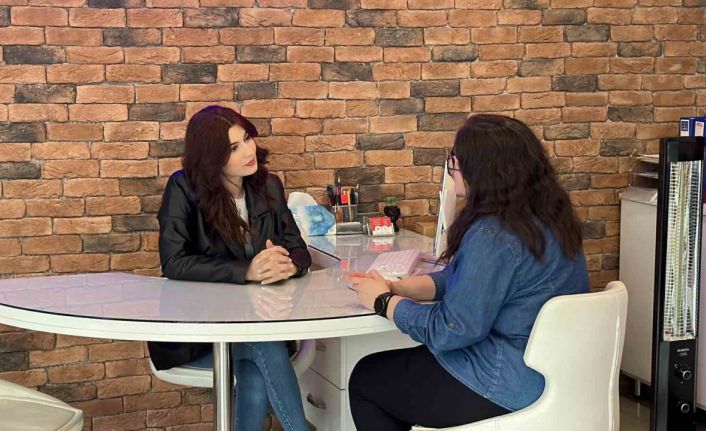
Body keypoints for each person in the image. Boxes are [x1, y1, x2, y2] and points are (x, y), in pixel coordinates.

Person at [345, 114, 589, 430]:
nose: (452, 170)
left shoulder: (493, 234)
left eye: (455, 162)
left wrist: (384, 303)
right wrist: (404, 288)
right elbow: (475, 281)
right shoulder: (551, 218)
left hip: (505, 380)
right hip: (557, 375)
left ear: (481, 171)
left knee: (365, 380)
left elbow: (451, 330)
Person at [149, 105, 311, 431]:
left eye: (247, 138)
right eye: (233, 148)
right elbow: (174, 262)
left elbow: (299, 251)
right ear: (212, 157)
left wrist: (286, 265)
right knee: (265, 346)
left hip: (262, 320)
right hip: (201, 330)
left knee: (256, 366)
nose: (248, 152)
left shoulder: (269, 185)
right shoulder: (184, 188)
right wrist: (247, 271)